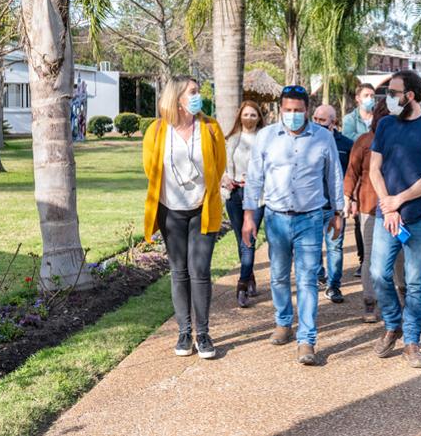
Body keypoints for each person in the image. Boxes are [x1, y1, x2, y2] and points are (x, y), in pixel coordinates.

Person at [242, 85, 344, 366]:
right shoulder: (266, 137)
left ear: (307, 110)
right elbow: (254, 178)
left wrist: (338, 212)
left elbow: (334, 175)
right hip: (276, 218)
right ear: (280, 110)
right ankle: (283, 321)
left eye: (298, 111)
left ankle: (307, 339)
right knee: (277, 275)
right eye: (288, 110)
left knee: (308, 279)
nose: (293, 115)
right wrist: (249, 217)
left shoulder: (323, 138)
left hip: (310, 218)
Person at [369, 70, 421, 369]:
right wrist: (388, 207)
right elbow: (374, 169)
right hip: (386, 217)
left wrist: (399, 201)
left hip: (418, 217)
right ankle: (393, 324)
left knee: (415, 282)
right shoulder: (386, 125)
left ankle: (412, 341)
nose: (388, 98)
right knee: (379, 274)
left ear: (411, 96)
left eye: (394, 93)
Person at [142, 75, 226, 359]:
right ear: (177, 97)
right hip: (170, 210)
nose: (197, 95)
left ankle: (202, 334)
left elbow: (220, 165)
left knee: (200, 271)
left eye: (198, 91)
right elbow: (150, 168)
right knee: (178, 271)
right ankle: (184, 331)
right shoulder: (156, 131)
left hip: (202, 209)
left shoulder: (211, 128)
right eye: (192, 91)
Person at [344, 100, 391, 322]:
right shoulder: (365, 141)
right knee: (371, 256)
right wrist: (348, 198)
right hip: (370, 207)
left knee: (397, 257)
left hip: (398, 208)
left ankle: (397, 297)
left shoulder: (402, 140)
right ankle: (370, 301)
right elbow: (352, 172)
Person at [222, 101, 266, 308]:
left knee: (249, 238)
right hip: (235, 192)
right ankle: (250, 277)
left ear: (259, 117)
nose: (249, 118)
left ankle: (241, 285)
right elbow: (222, 166)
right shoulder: (232, 139)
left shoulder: (265, 138)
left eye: (253, 115)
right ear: (240, 116)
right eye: (246, 114)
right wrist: (226, 180)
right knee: (241, 237)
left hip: (256, 194)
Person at [312, 104, 354, 303]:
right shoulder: (306, 141)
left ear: (333, 122)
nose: (318, 123)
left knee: (334, 247)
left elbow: (351, 174)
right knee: (312, 246)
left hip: (334, 206)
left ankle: (334, 285)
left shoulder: (346, 144)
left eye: (323, 120)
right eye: (316, 119)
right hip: (311, 206)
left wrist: (348, 199)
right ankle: (319, 274)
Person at [343, 83, 377, 279]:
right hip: (357, 170)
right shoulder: (350, 119)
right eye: (366, 95)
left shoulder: (380, 117)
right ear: (358, 98)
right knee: (360, 221)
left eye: (372, 95)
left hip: (372, 175)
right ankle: (362, 259)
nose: (370, 98)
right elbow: (349, 141)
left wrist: (362, 141)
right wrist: (366, 140)